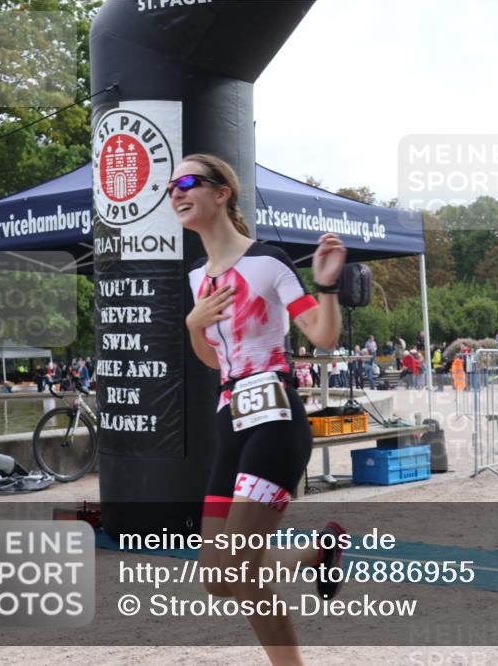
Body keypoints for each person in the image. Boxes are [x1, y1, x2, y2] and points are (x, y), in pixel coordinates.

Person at [177, 154, 346, 663]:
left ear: (221, 192)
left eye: (186, 182)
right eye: (169, 188)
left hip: (275, 419)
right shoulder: (196, 279)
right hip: (231, 421)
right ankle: (315, 552)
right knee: (216, 575)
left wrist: (328, 287)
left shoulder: (267, 262)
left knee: (241, 569)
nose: (176, 193)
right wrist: (192, 325)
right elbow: (214, 360)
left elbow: (322, 334)